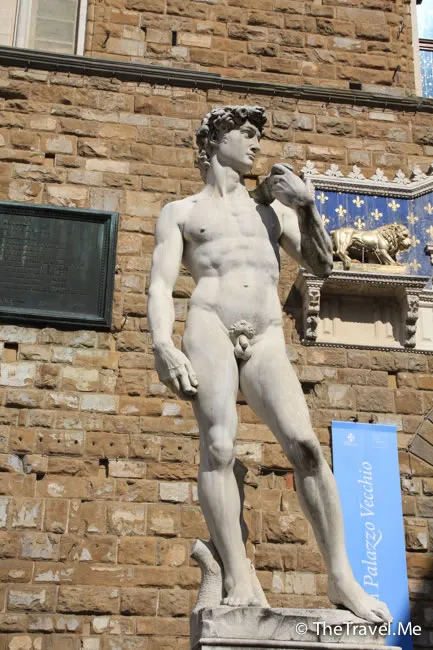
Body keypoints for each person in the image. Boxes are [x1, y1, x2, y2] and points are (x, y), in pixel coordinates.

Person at [148, 105, 391, 623]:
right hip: (209, 325)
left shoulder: (272, 210)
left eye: (258, 135)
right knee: (218, 446)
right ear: (216, 140)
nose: (256, 144)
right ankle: (237, 573)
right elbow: (160, 286)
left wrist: (308, 206)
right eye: (247, 134)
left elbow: (322, 264)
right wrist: (162, 345)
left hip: (265, 334)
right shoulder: (181, 211)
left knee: (306, 447)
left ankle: (341, 577)